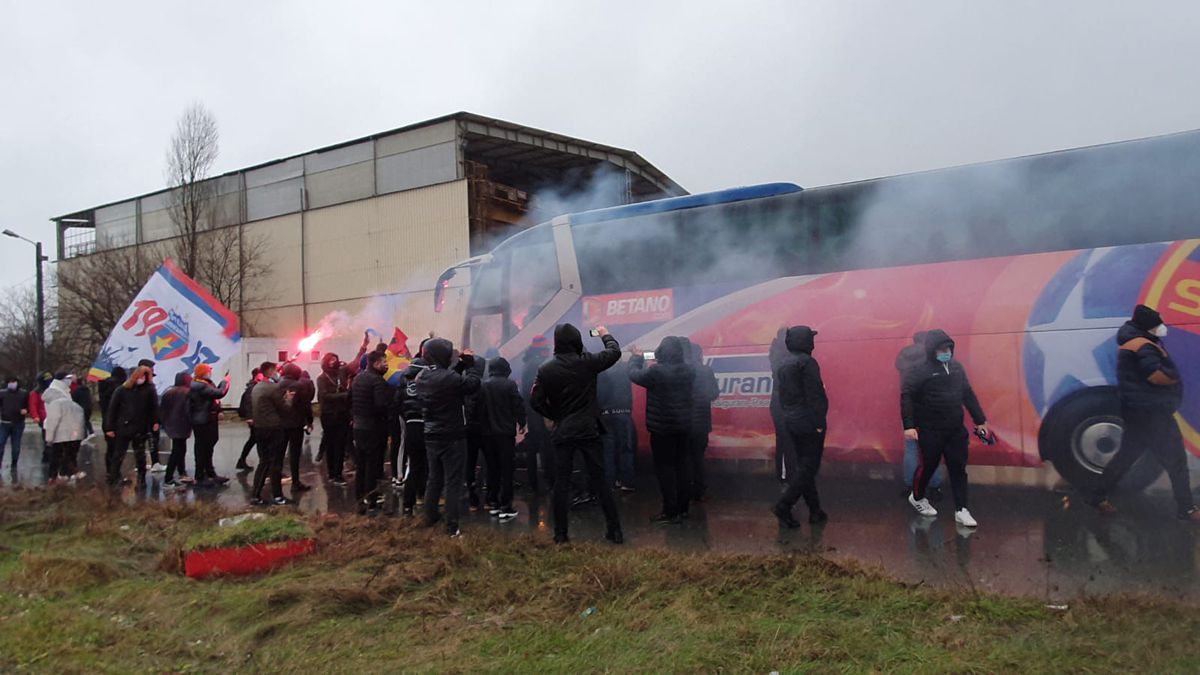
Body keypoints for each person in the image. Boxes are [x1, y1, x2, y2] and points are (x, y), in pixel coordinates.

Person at [1088, 305, 1200, 521]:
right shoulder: (1143, 346)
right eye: (1158, 324)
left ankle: (1096, 496)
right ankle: (1187, 510)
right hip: (1153, 413)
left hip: (1138, 411)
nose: (1162, 327)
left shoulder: (1133, 343)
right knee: (1176, 462)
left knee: (1125, 458)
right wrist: (1174, 377)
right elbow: (1154, 375)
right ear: (1149, 326)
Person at [531, 324, 624, 544]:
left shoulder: (545, 369)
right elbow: (615, 352)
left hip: (563, 431)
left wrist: (554, 416)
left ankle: (561, 534)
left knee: (561, 483)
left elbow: (535, 401)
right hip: (588, 429)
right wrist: (605, 334)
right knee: (600, 481)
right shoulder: (588, 362)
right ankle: (615, 530)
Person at [902, 329, 987, 528]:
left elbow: (968, 394)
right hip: (930, 429)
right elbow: (907, 398)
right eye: (942, 348)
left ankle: (961, 509)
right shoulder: (919, 371)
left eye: (948, 348)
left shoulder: (957, 368)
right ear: (932, 350)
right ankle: (917, 497)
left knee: (958, 468)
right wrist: (909, 426)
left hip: (955, 429)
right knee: (929, 466)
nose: (946, 351)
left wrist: (979, 420)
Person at [417, 339, 483, 536]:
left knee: (434, 479)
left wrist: (461, 364)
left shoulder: (422, 376)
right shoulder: (448, 378)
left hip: (431, 434)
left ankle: (430, 518)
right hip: (452, 435)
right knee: (453, 482)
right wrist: (471, 366)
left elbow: (450, 378)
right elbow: (471, 384)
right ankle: (452, 527)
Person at [629, 336, 694, 524]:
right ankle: (683, 509)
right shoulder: (689, 371)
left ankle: (669, 510)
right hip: (684, 427)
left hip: (662, 430)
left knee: (665, 470)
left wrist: (636, 358)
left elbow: (634, 374)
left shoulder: (656, 372)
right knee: (683, 467)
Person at [770, 326, 830, 528]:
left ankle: (815, 510)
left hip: (792, 420)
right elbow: (815, 396)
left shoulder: (783, 363)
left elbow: (784, 396)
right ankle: (784, 505)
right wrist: (820, 423)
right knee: (808, 466)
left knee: (806, 465)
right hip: (809, 422)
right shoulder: (807, 363)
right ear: (806, 342)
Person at [895, 332, 944, 501]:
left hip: (910, 408)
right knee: (932, 449)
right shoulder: (932, 356)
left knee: (911, 448)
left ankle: (910, 485)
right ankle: (934, 486)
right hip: (930, 408)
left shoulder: (904, 356)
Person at [480, 357, 526, 521]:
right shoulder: (510, 384)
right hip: (505, 434)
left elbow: (480, 409)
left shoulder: (484, 385)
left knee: (492, 468)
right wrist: (522, 422)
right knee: (507, 470)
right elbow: (518, 404)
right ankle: (505, 506)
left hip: (487, 434)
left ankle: (492, 502)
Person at [103, 365, 158, 486]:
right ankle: (113, 477)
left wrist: (155, 422)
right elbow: (112, 409)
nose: (142, 378)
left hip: (140, 427)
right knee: (118, 454)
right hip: (124, 427)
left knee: (140, 455)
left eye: (145, 376)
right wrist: (109, 427)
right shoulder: (122, 390)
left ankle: (141, 479)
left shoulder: (149, 390)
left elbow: (154, 408)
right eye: (141, 375)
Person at [351, 351, 392, 513]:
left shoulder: (358, 378)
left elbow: (351, 399)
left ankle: (360, 498)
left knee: (361, 465)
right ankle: (372, 500)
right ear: (375, 363)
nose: (386, 364)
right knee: (373, 466)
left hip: (359, 427)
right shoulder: (377, 381)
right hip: (374, 429)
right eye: (384, 361)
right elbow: (381, 406)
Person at [682, 339, 720, 502]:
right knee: (698, 456)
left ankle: (686, 488)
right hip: (703, 422)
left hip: (684, 421)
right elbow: (714, 393)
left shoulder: (683, 371)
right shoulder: (706, 371)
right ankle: (699, 488)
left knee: (685, 457)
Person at [250, 362, 291, 506]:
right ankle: (278, 496)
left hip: (259, 428)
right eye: (274, 370)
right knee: (275, 463)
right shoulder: (273, 388)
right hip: (273, 428)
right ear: (269, 371)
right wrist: (289, 399)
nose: (277, 372)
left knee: (264, 462)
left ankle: (256, 495)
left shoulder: (257, 387)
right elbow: (284, 408)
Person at [399, 344, 431, 517]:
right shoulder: (426, 381)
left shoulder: (403, 383)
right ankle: (424, 497)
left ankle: (407, 506)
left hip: (411, 426)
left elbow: (397, 404)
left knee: (414, 466)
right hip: (425, 426)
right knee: (427, 465)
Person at [597, 357, 636, 492]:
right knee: (625, 449)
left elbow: (599, 394)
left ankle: (610, 482)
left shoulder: (601, 370)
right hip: (623, 412)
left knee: (608, 450)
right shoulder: (626, 369)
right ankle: (626, 481)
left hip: (606, 414)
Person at [188, 364, 230, 487]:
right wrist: (225, 381)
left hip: (208, 419)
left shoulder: (204, 384)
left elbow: (214, 397)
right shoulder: (199, 385)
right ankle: (200, 475)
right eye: (208, 371)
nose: (210, 372)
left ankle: (210, 473)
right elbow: (219, 393)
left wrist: (219, 410)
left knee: (208, 446)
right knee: (202, 448)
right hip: (202, 421)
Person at [521, 334, 552, 491]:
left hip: (532, 411)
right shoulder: (538, 365)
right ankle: (545, 481)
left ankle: (533, 482)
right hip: (540, 412)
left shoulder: (528, 363)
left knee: (533, 446)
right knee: (545, 446)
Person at [316, 354, 352, 486]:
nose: (334, 362)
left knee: (340, 445)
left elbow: (354, 364)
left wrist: (363, 347)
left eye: (335, 359)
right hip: (329, 415)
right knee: (331, 445)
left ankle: (337, 473)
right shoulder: (322, 378)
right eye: (330, 360)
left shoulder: (340, 375)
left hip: (342, 414)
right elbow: (324, 395)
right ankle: (333, 474)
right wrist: (343, 395)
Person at [278, 363, 313, 492]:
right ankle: (296, 482)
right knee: (295, 453)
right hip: (296, 423)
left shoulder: (278, 385)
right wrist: (309, 420)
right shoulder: (300, 386)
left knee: (280, 453)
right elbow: (305, 405)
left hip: (281, 423)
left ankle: (276, 482)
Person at [44, 379, 85, 482]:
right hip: (76, 436)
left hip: (61, 436)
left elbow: (53, 422)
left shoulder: (55, 404)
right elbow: (81, 420)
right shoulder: (75, 405)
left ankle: (53, 479)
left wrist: (49, 439)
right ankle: (67, 476)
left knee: (56, 457)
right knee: (70, 456)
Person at [159, 372, 193, 487]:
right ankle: (169, 477)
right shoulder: (187, 393)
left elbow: (162, 410)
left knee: (179, 448)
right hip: (182, 424)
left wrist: (164, 423)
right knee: (178, 450)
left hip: (171, 425)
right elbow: (189, 409)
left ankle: (181, 472)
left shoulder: (168, 393)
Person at [135, 359, 166, 472]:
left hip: (143, 420)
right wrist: (156, 421)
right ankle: (152, 463)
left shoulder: (139, 387)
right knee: (149, 442)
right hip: (147, 420)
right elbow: (153, 406)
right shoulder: (148, 388)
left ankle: (145, 463)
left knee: (145, 443)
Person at [768, 328, 790, 483]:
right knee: (785, 440)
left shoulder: (776, 352)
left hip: (779, 402)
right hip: (782, 403)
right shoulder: (781, 355)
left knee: (785, 440)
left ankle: (786, 474)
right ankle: (784, 475)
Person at [0, 375, 29, 478]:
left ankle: (14, 465)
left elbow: (28, 406)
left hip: (18, 423)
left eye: (14, 381)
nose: (12, 383)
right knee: (1, 443)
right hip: (5, 423)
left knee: (16, 446)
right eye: (10, 382)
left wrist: (26, 410)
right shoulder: (2, 394)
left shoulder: (24, 394)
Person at [235, 368, 261, 472]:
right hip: (255, 418)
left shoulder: (254, 386)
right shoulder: (252, 387)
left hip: (256, 417)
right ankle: (265, 467)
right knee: (258, 440)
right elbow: (249, 403)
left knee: (253, 439)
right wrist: (250, 418)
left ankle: (241, 460)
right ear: (257, 376)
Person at [98, 366, 126, 436]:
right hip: (119, 422)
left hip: (106, 421)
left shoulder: (104, 385)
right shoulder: (119, 387)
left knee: (110, 445)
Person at [70, 374, 95, 439]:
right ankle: (91, 432)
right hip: (89, 407)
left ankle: (85, 434)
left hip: (81, 408)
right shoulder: (86, 390)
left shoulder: (76, 391)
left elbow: (74, 400)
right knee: (86, 420)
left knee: (82, 421)